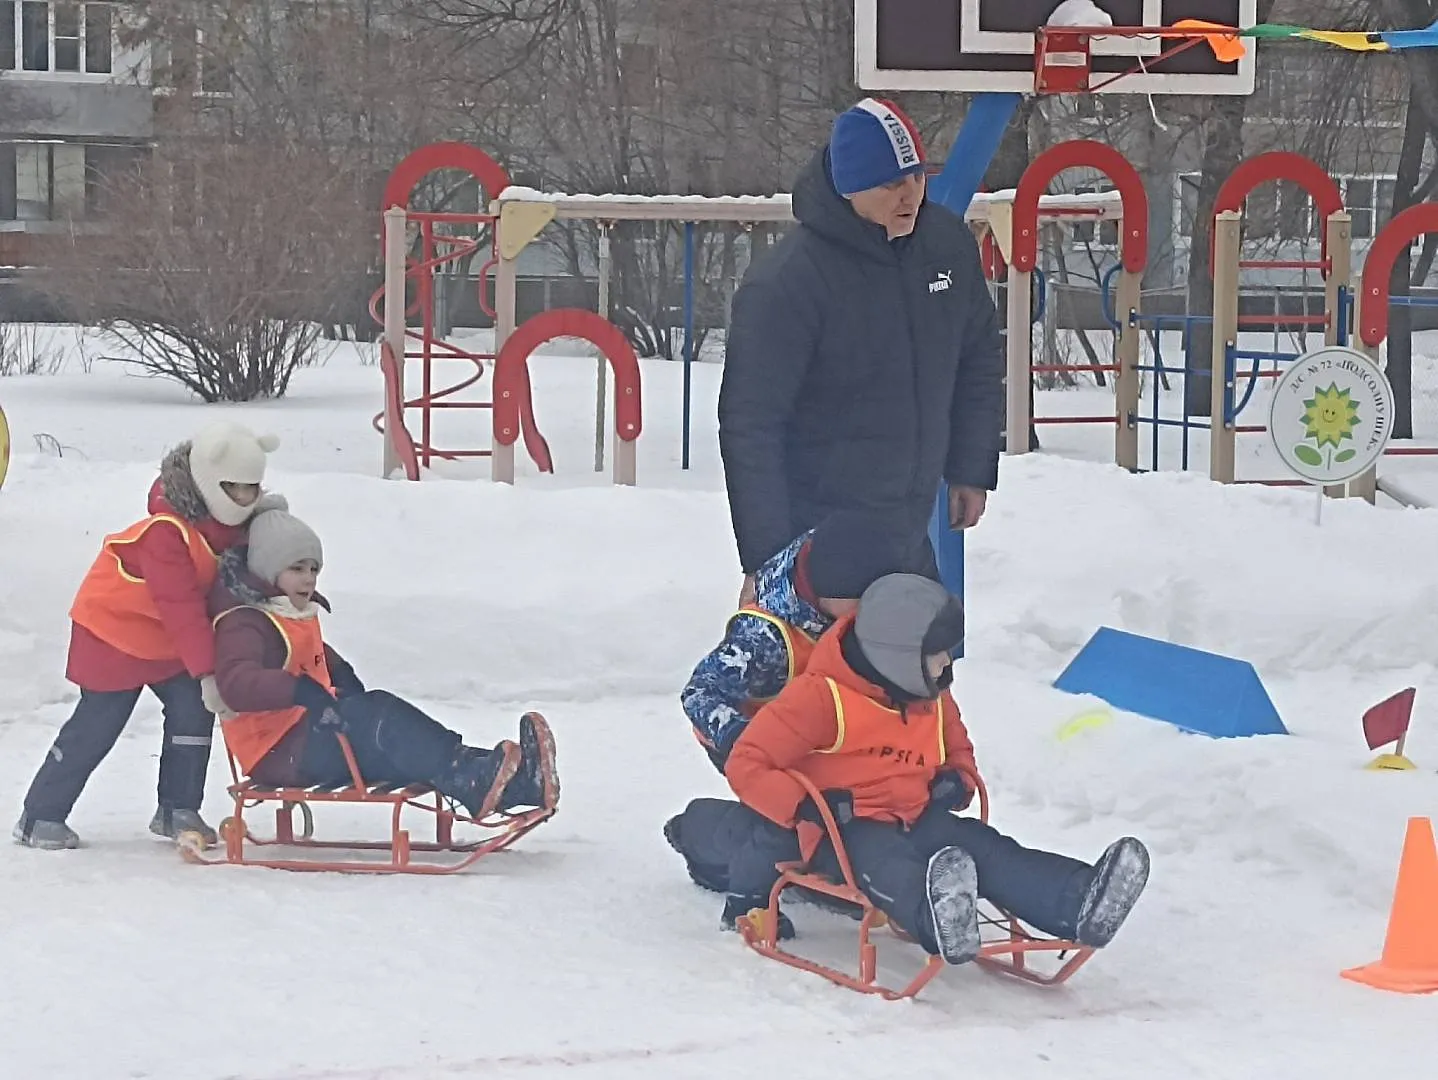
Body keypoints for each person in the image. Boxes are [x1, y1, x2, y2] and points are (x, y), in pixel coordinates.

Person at [703, 574, 1151, 958]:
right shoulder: (820, 698)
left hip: (917, 813)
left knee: (986, 848)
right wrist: (802, 804)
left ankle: (1077, 901)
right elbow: (748, 762)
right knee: (890, 865)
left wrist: (957, 778)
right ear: (896, 657)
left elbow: (957, 746)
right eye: (938, 653)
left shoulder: (930, 694)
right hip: (842, 829)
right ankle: (937, 919)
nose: (947, 662)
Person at [718, 97, 1005, 606]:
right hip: (819, 539)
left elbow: (977, 354)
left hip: (908, 529)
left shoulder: (943, 244)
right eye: (890, 184)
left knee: (926, 650)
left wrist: (970, 465)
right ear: (849, 188)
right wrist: (769, 562)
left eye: (916, 176)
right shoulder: (789, 281)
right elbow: (751, 424)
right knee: (836, 660)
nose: (909, 195)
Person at [14, 422, 284, 850]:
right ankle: (39, 815)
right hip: (113, 634)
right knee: (99, 723)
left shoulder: (231, 530)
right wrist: (208, 673)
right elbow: (181, 607)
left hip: (168, 643)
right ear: (209, 482)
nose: (245, 499)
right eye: (235, 488)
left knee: (193, 712)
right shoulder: (165, 534)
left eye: (253, 489)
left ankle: (178, 808)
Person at [208, 507, 559, 819]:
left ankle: (512, 780)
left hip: (306, 734)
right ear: (268, 570)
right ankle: (472, 778)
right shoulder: (244, 622)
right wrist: (305, 692)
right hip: (277, 751)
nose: (309, 578)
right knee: (381, 718)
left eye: (314, 569)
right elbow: (236, 683)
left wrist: (342, 678)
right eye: (296, 568)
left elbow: (308, 652)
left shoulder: (289, 612)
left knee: (389, 727)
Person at [680, 509, 907, 775]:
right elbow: (700, 692)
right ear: (827, 592)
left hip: (815, 717)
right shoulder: (763, 637)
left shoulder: (839, 563)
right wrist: (746, 740)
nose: (871, 609)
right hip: (747, 735)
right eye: (862, 600)